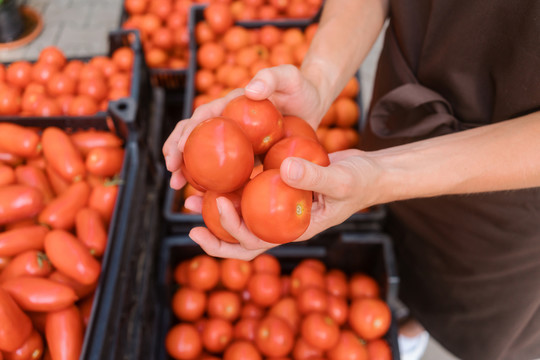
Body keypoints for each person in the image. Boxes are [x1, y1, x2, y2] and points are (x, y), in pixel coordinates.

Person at [163, 0, 540, 359]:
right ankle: (408, 317)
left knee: (455, 290)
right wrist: (319, 79)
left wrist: (384, 175)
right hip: (404, 106)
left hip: (505, 182)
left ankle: (415, 325)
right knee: (395, 243)